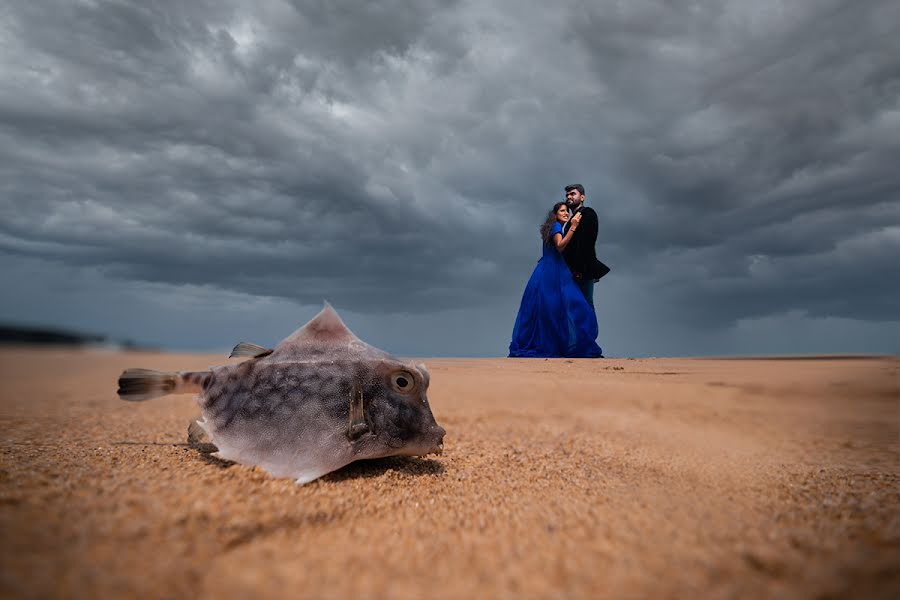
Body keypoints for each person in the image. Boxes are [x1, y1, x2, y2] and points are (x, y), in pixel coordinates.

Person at [508, 202, 603, 358]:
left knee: (552, 310)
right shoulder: (557, 227)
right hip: (553, 273)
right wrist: (573, 226)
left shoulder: (554, 227)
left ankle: (562, 344)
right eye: (562, 211)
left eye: (567, 211)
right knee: (578, 307)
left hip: (549, 271)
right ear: (555, 214)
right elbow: (560, 246)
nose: (566, 213)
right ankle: (577, 344)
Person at [562, 184, 610, 313]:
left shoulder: (588, 213)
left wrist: (579, 270)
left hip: (582, 269)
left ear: (582, 197)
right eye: (567, 195)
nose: (569, 197)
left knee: (585, 305)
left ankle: (589, 332)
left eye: (573, 194)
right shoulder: (572, 219)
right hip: (572, 270)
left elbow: (587, 243)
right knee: (574, 306)